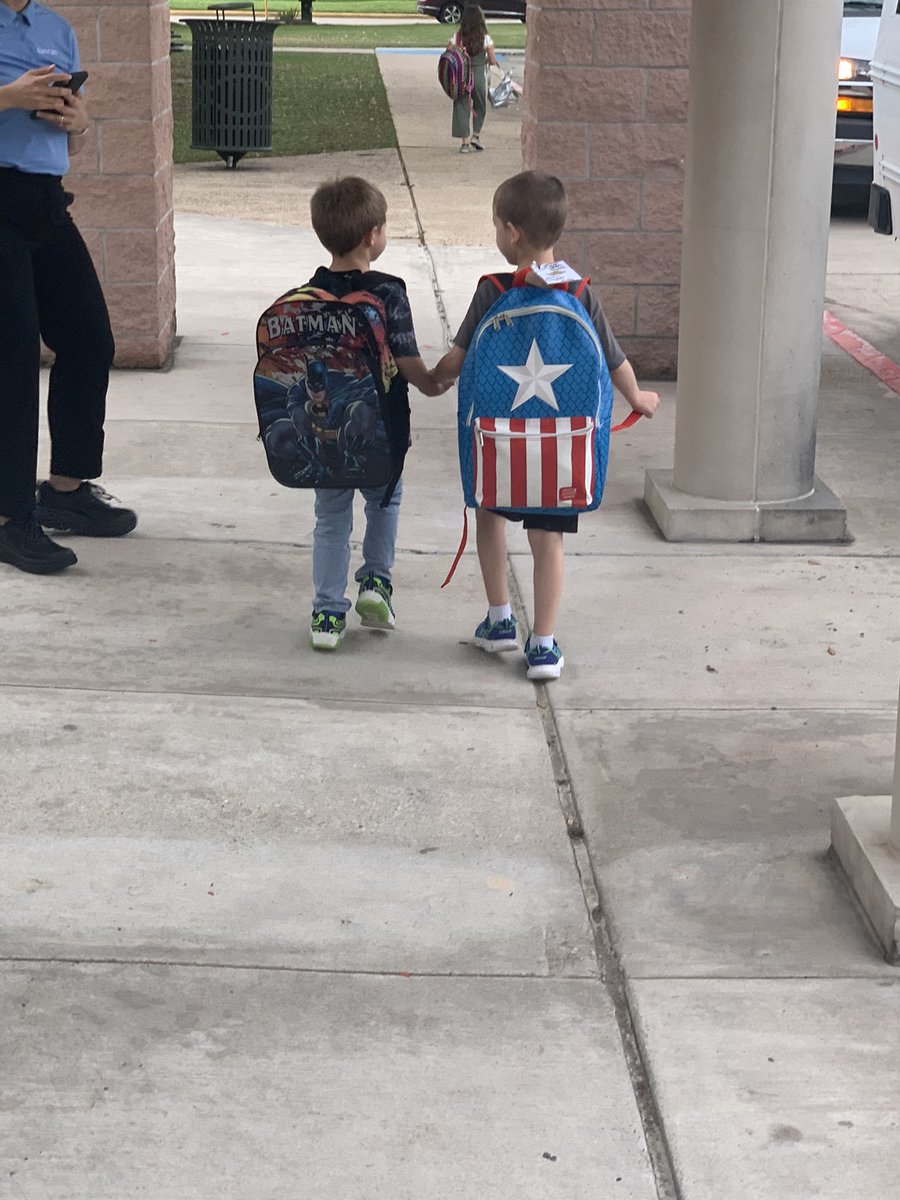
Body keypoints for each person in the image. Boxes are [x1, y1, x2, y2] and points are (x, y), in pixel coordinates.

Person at [432, 170, 660, 680]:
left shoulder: (492, 291)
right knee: (547, 539)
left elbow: (458, 358)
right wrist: (638, 397)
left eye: (496, 225)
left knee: (490, 518)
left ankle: (499, 622)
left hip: (499, 441)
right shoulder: (580, 291)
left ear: (512, 233)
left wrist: (431, 380)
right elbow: (614, 358)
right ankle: (545, 644)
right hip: (561, 447)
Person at [0, 0, 136, 577]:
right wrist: (10, 97)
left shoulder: (57, 28)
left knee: (88, 338)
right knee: (11, 360)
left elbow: (71, 141)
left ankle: (64, 489)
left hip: (46, 199)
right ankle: (9, 519)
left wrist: (79, 124)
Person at [305, 176, 447, 651]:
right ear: (372, 235)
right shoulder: (389, 292)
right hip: (382, 429)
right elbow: (405, 358)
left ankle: (326, 613)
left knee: (330, 516)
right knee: (383, 502)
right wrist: (431, 382)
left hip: (328, 435)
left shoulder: (310, 294)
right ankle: (376, 584)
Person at [451, 5, 498, 155]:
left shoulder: (458, 37)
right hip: (477, 75)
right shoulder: (485, 38)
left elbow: (449, 54)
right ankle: (476, 136)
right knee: (480, 105)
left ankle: (464, 143)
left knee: (461, 105)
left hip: (461, 77)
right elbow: (492, 60)